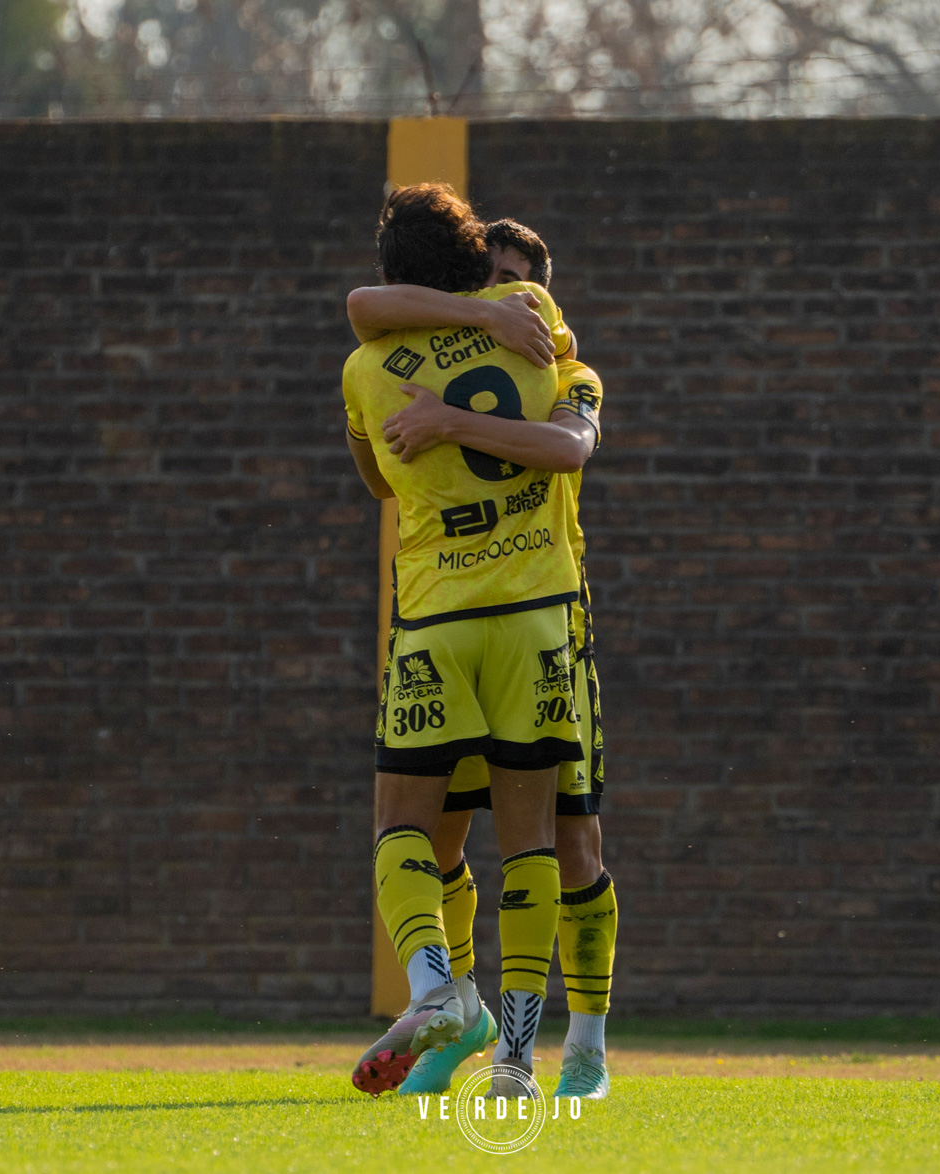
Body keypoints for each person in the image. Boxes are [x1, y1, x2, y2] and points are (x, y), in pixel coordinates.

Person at [347, 220, 616, 1100]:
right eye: (488, 279)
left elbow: (568, 449)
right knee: (451, 842)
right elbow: (367, 307)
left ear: (541, 294)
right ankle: (462, 1020)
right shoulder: (483, 329)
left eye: (516, 285)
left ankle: (574, 1044)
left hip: (548, 622)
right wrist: (485, 325)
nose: (503, 295)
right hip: (489, 627)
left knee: (570, 845)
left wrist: (446, 420)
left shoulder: (568, 370)